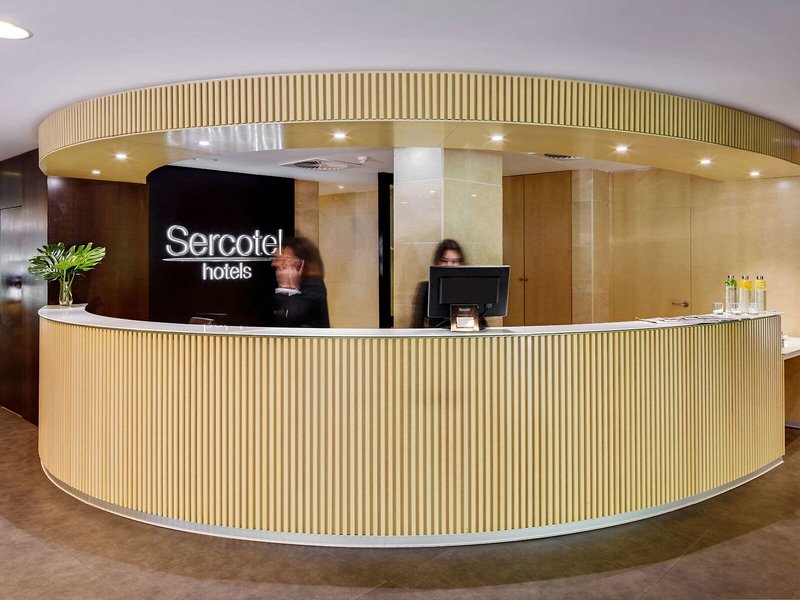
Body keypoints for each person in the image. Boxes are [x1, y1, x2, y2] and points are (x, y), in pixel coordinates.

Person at [272, 236, 330, 328]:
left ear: (302, 262)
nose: (274, 264)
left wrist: (288, 289)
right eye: (276, 259)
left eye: (284, 259)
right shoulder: (278, 282)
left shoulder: (314, 285)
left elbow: (288, 321)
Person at [411, 239, 465, 328]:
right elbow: (416, 326)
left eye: (454, 261)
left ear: (461, 263)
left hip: (463, 336)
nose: (449, 265)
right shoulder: (426, 289)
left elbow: (481, 323)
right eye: (444, 260)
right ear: (438, 262)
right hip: (434, 336)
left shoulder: (468, 289)